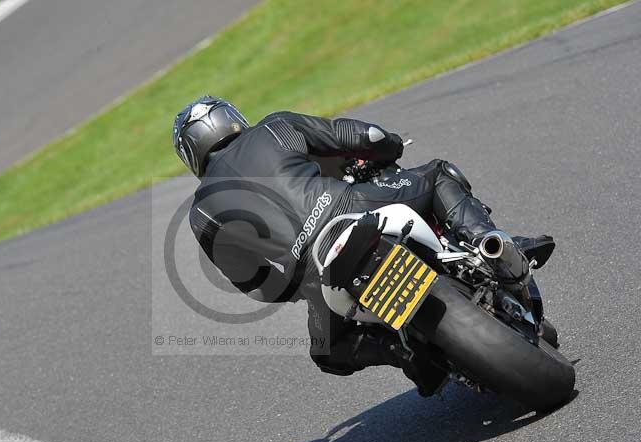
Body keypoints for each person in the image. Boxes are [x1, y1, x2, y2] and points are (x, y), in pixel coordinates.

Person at [174, 96, 554, 395]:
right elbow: (365, 137)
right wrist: (391, 146)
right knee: (437, 174)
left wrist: (297, 289)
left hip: (313, 270)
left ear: (192, 155)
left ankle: (402, 353)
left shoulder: (201, 213)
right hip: (353, 207)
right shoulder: (274, 128)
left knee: (327, 351)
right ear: (232, 118)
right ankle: (486, 241)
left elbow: (255, 283)